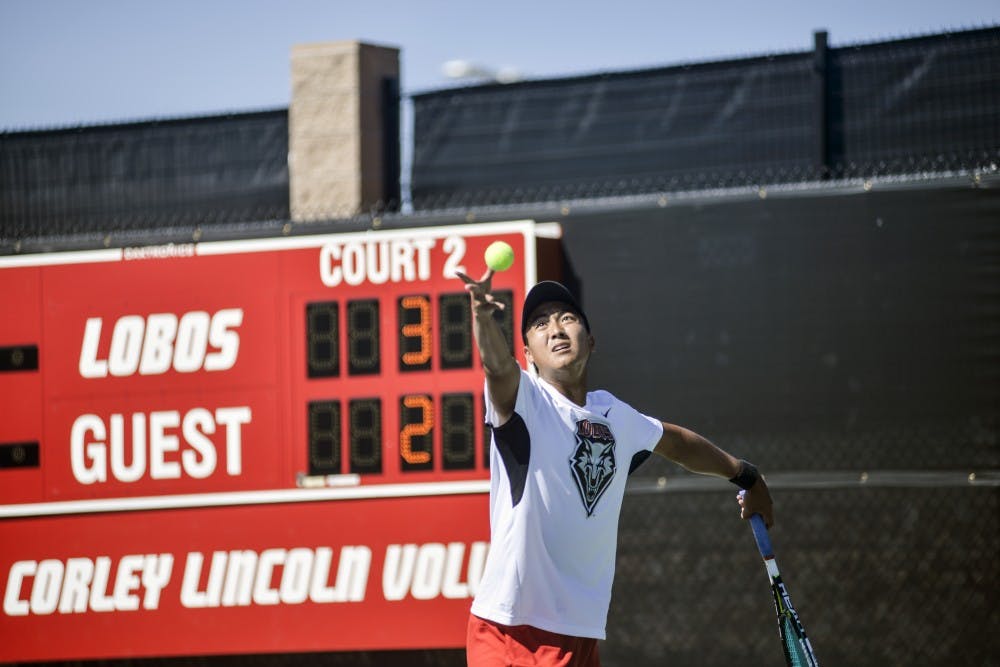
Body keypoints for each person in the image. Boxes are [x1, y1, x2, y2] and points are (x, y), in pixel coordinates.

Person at [456, 270, 774, 667]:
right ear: (528, 355)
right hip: (512, 631)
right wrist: (484, 320)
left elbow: (677, 443)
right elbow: (497, 370)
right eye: (540, 324)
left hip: (580, 635)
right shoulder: (526, 403)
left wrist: (745, 474)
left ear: (591, 342)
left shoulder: (615, 415)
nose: (555, 329)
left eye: (567, 319)